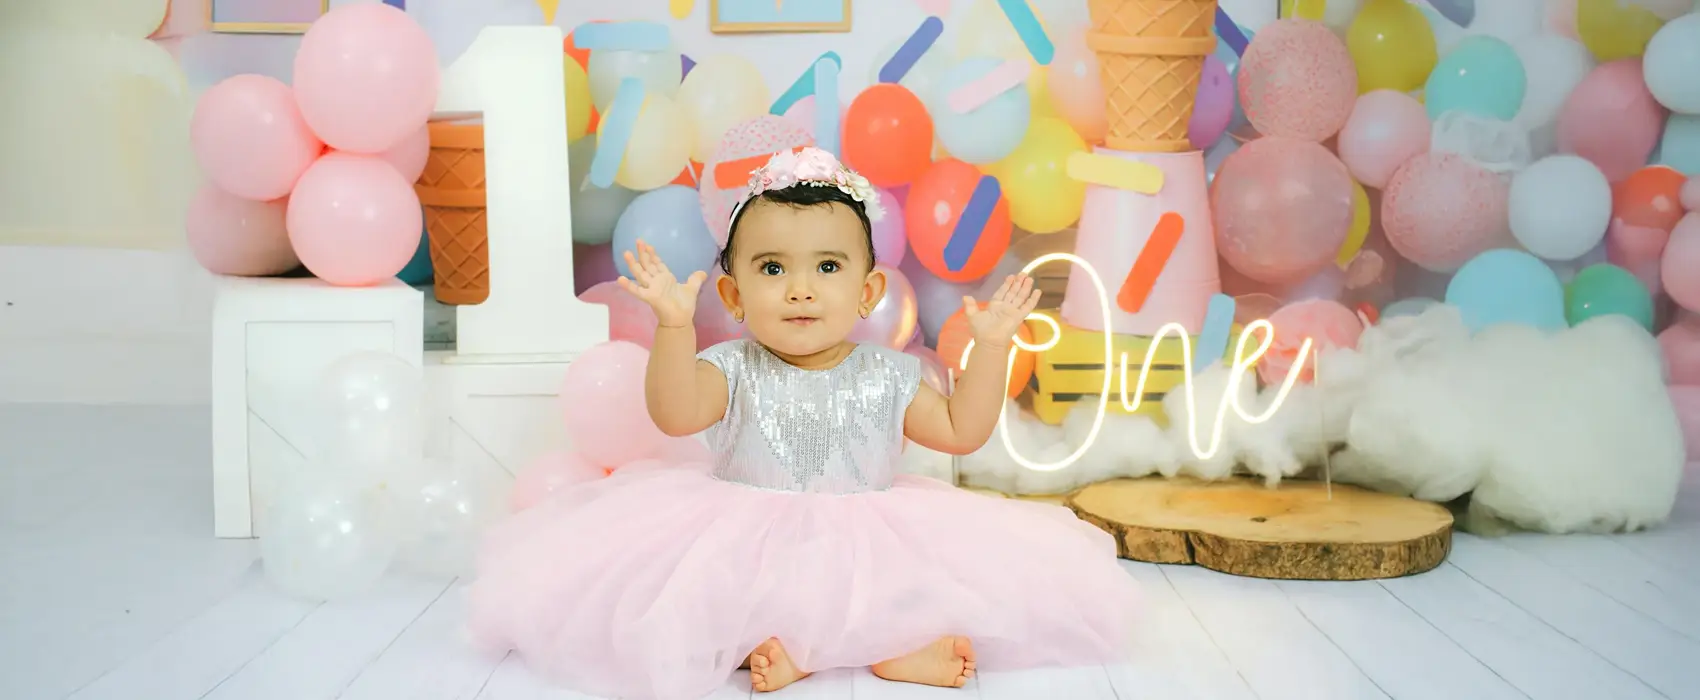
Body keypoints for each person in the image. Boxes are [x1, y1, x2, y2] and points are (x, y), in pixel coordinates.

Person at [468, 147, 1139, 699]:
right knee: (708, 601)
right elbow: (673, 415)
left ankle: (887, 647)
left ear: (868, 291)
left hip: (869, 528)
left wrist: (992, 346)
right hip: (745, 527)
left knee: (905, 585)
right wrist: (673, 327)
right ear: (732, 294)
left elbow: (964, 431)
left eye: (827, 266)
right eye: (771, 268)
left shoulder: (890, 374)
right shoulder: (730, 367)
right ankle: (791, 650)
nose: (800, 288)